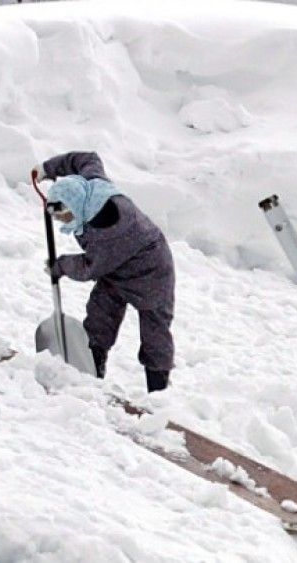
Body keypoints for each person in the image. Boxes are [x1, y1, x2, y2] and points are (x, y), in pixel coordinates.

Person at [33, 152, 175, 392]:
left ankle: (158, 391)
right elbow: (87, 159)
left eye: (63, 216)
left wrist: (61, 266)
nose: (59, 221)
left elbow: (90, 267)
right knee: (99, 320)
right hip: (116, 272)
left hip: (152, 274)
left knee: (154, 336)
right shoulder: (92, 185)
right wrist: (48, 169)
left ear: (76, 208)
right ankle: (91, 373)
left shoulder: (107, 231)